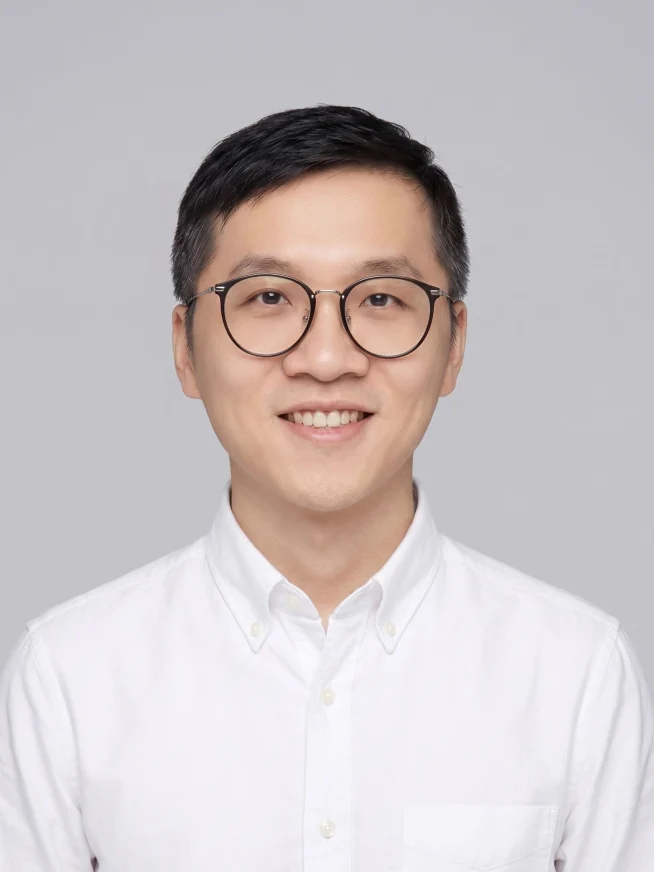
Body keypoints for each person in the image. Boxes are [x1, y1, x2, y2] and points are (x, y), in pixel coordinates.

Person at [1, 105, 652, 871]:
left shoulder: (574, 671)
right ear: (185, 349)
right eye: (270, 298)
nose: (326, 357)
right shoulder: (71, 675)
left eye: (380, 299)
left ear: (454, 348)